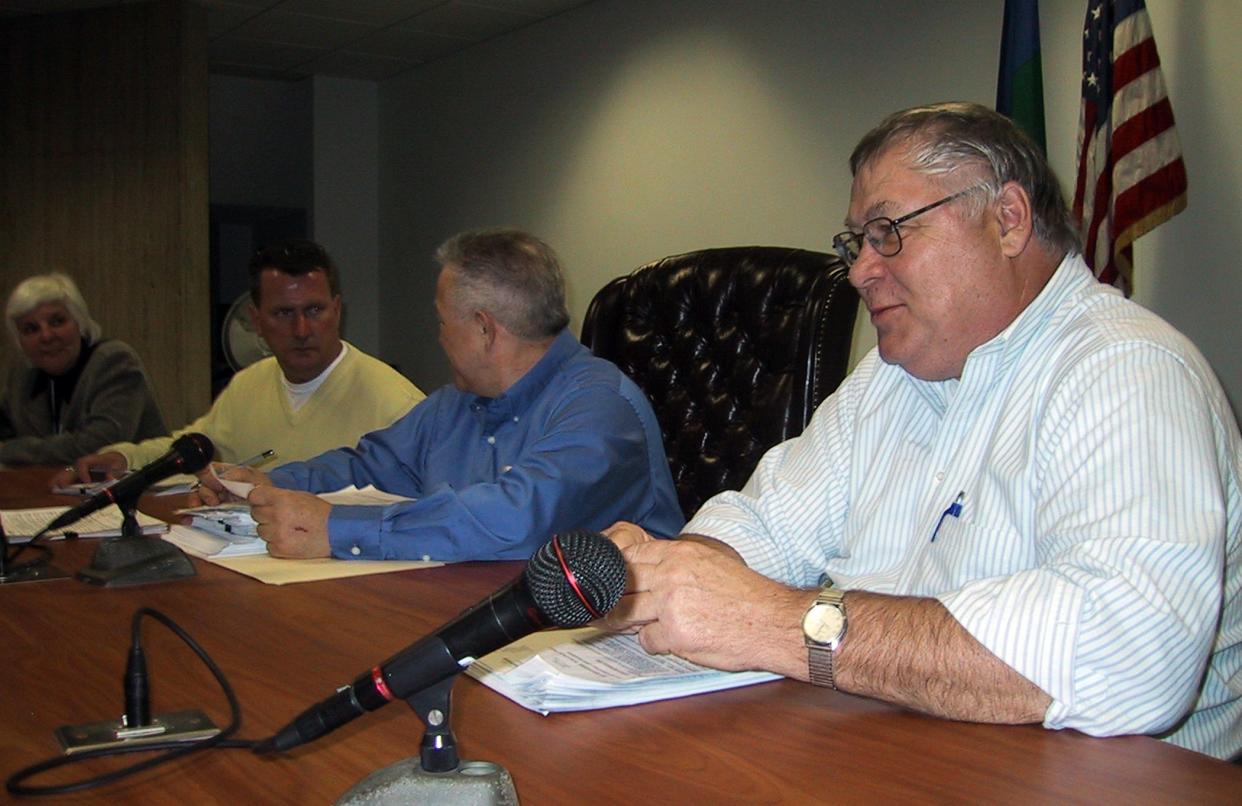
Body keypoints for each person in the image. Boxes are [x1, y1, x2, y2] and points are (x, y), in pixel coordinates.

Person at [601, 102, 1241, 761]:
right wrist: (666, 577)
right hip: (893, 746)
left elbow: (1129, 657)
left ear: (1008, 220)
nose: (858, 271)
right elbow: (769, 528)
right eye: (855, 243)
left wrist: (782, 625)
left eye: (888, 231)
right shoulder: (890, 377)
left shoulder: (1125, 369)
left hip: (1096, 775)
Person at [198, 229, 684, 563]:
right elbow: (367, 467)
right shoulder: (455, 405)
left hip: (602, 657)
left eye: (441, 321)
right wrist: (264, 485)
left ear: (483, 330)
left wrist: (337, 530)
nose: (438, 337)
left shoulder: (602, 409)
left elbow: (519, 519)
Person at [51, 240, 423, 483]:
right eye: (283, 314)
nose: (302, 329)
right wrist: (124, 459)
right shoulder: (249, 385)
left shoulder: (394, 403)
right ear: (256, 320)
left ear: (337, 310)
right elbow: (194, 449)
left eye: (315, 310)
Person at [1, 273, 166, 466]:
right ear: (19, 340)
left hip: (136, 490)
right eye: (31, 329)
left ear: (79, 322)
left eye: (57, 322)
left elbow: (97, 446)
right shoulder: (23, 372)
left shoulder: (115, 361)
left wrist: (11, 451)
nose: (46, 336)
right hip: (53, 488)